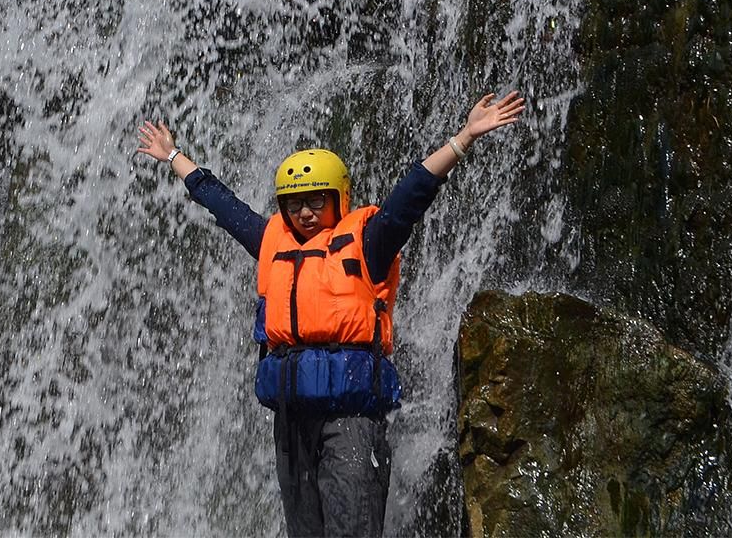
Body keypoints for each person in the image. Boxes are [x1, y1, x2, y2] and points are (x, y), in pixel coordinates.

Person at [135, 91, 525, 538]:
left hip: (351, 418)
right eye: (294, 203)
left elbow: (411, 195)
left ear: (338, 198)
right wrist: (174, 157)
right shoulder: (271, 242)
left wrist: (464, 137)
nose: (304, 212)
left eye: (316, 200)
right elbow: (224, 206)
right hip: (292, 418)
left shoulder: (369, 241)